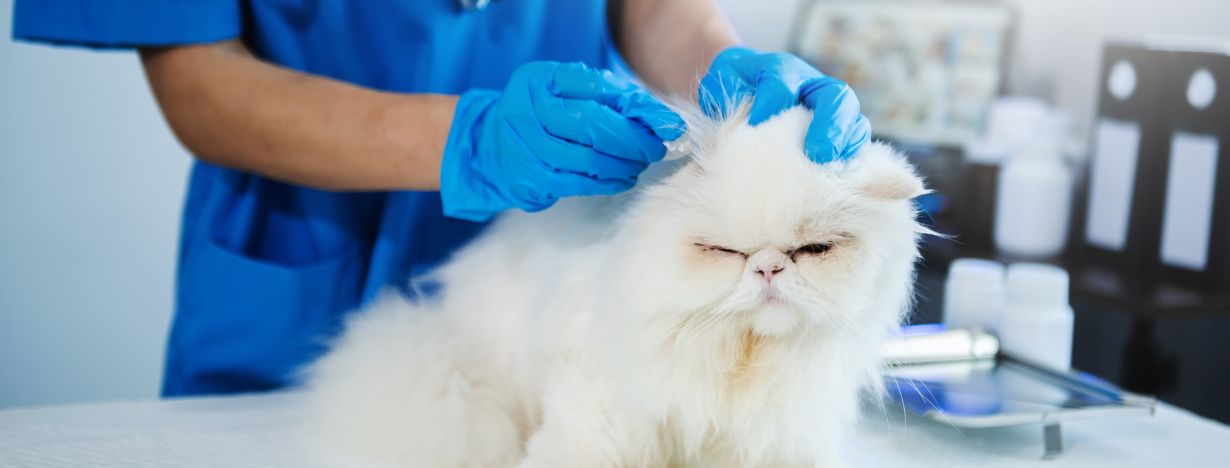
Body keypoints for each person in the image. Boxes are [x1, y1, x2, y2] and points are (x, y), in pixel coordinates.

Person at [13, 0, 870, 397]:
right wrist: (469, 138)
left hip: (549, 261)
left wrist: (726, 75)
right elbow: (195, 79)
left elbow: (653, 7)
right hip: (304, 257)